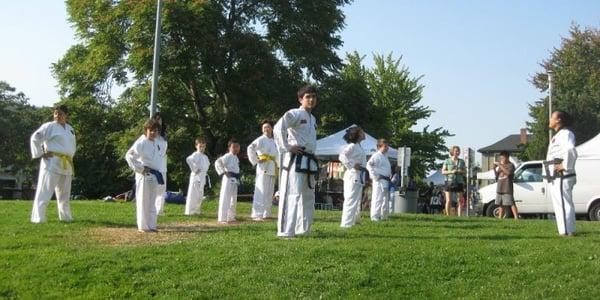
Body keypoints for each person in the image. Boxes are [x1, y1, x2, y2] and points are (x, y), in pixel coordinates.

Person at [273, 85, 319, 238]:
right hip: (295, 160)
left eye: (313, 96)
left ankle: (303, 229)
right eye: (307, 97)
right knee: (291, 194)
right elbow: (279, 127)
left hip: (309, 160)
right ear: (301, 99)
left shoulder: (313, 119)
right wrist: (287, 147)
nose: (311, 99)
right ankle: (286, 231)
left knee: (308, 196)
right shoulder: (295, 113)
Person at [30, 104, 76, 223]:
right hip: (52, 162)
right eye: (55, 113)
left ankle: (66, 217)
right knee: (44, 191)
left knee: (64, 194)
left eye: (60, 114)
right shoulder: (49, 126)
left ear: (66, 115)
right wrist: (41, 153)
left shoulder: (70, 129)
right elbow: (35, 138)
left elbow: (71, 146)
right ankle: (38, 218)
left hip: (66, 163)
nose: (57, 116)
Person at [125, 119, 163, 232]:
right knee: (143, 200)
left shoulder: (156, 143)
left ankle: (151, 225)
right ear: (146, 130)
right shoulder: (141, 142)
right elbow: (129, 156)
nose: (153, 133)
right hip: (145, 174)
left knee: (152, 201)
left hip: (155, 174)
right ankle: (143, 226)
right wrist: (141, 169)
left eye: (156, 131)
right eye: (151, 130)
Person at [547, 110, 577, 236]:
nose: (550, 120)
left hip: (562, 175)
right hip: (557, 176)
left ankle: (566, 231)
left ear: (558, 120)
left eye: (552, 117)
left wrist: (565, 166)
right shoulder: (559, 135)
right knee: (561, 203)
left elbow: (570, 150)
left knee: (563, 204)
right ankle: (566, 230)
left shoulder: (565, 133)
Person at [247, 120, 278, 221]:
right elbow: (250, 148)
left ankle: (266, 212)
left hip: (272, 167)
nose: (266, 129)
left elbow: (277, 155)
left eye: (268, 127)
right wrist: (256, 160)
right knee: (261, 189)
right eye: (264, 127)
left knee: (269, 191)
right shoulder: (261, 139)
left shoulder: (274, 141)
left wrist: (279, 165)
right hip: (263, 165)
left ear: (272, 129)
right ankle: (257, 214)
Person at [339, 126, 367, 228]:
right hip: (353, 174)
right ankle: (346, 224)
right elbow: (342, 156)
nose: (364, 133)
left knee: (356, 200)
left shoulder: (358, 146)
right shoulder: (352, 146)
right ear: (358, 134)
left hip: (359, 175)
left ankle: (354, 220)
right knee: (350, 199)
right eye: (362, 131)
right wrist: (352, 164)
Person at [214, 139, 241, 224]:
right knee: (225, 198)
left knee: (233, 199)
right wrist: (223, 172)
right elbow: (217, 162)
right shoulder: (227, 156)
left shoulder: (236, 158)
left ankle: (231, 217)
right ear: (229, 148)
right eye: (234, 147)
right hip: (228, 178)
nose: (236, 148)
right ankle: (222, 218)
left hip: (234, 179)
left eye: (237, 147)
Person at [367, 139, 392, 221]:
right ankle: (374, 216)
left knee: (385, 199)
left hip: (385, 180)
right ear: (379, 147)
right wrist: (374, 176)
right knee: (377, 198)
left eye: (387, 146)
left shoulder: (385, 156)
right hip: (379, 180)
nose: (387, 148)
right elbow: (369, 165)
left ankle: (383, 216)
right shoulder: (376, 156)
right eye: (385, 146)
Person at [184, 137, 210, 215]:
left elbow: (207, 165)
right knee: (193, 194)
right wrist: (195, 169)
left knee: (200, 194)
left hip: (202, 176)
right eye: (200, 146)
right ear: (196, 146)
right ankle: (190, 211)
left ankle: (197, 210)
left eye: (203, 146)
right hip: (196, 176)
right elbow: (188, 159)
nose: (202, 148)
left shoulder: (205, 156)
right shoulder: (195, 154)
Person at [493, 150, 519, 219]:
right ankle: (500, 217)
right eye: (501, 158)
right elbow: (497, 176)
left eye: (503, 158)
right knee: (501, 204)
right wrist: (494, 169)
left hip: (507, 188)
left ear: (507, 157)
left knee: (511, 203)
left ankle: (516, 217)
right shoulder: (501, 165)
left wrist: (500, 165)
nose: (501, 160)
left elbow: (508, 173)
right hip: (500, 187)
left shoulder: (511, 165)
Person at [441, 145, 466, 216]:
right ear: (452, 152)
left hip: (459, 182)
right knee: (448, 200)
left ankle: (459, 216)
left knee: (460, 201)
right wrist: (451, 172)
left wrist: (460, 171)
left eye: (458, 151)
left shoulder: (462, 161)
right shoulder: (447, 161)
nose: (458, 152)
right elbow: (443, 172)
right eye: (456, 151)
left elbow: (465, 172)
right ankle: (448, 216)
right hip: (449, 181)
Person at [152, 112, 168, 216]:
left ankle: (159, 210)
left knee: (162, 190)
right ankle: (152, 209)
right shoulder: (150, 137)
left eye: (160, 119)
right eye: (157, 119)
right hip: (153, 166)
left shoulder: (163, 137)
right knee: (153, 189)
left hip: (162, 166)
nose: (159, 121)